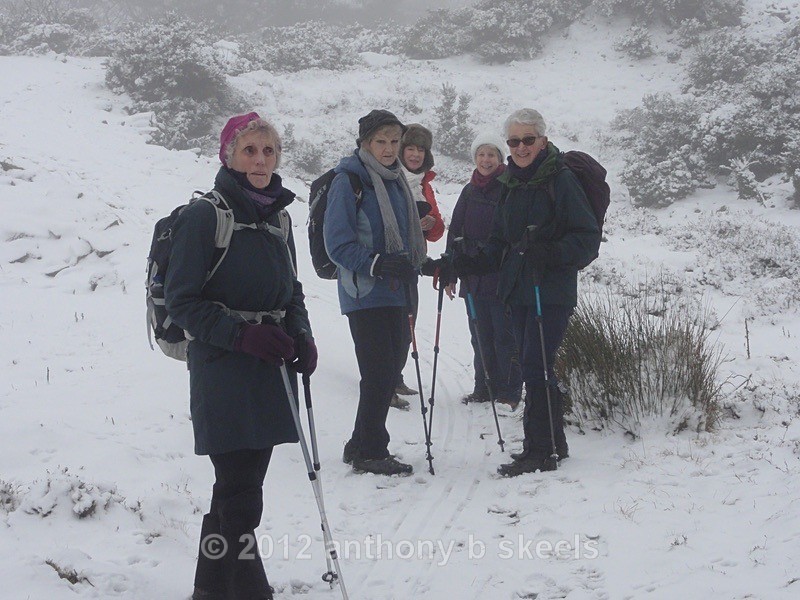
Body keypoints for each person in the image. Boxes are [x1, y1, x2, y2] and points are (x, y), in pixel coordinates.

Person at [165, 112, 318, 599]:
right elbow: (183, 301)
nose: (260, 160)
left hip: (270, 367)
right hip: (223, 368)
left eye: (268, 151)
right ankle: (250, 589)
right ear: (228, 155)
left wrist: (302, 334)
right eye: (249, 150)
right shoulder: (205, 216)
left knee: (235, 490)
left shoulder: (278, 217)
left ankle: (209, 588)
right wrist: (241, 336)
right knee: (241, 492)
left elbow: (290, 289)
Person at [451, 108, 601, 477]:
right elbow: (500, 242)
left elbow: (587, 240)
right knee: (537, 366)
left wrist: (549, 253)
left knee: (535, 367)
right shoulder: (512, 184)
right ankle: (553, 444)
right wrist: (459, 264)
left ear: (543, 141)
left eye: (528, 140)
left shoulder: (561, 181)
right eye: (514, 141)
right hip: (517, 290)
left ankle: (540, 450)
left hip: (548, 291)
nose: (520, 147)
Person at [324, 109, 429, 476]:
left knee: (389, 368)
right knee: (379, 371)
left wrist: (423, 264)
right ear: (365, 143)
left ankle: (359, 442)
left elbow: (403, 241)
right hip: (365, 291)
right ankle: (371, 449)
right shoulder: (349, 181)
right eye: (380, 141)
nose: (388, 149)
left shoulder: (396, 180)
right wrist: (376, 263)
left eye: (394, 141)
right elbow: (335, 244)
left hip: (398, 290)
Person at [445, 131, 522, 409]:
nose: (485, 160)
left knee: (505, 336)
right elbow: (455, 230)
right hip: (472, 275)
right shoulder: (469, 190)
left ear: (500, 159)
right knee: (480, 335)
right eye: (481, 154)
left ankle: (510, 392)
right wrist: (450, 271)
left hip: (501, 276)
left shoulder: (508, 188)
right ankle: (484, 388)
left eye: (491, 154)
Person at [391, 123, 446, 409]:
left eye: (420, 149)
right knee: (391, 322)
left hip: (413, 261)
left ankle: (395, 377)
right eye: (410, 148)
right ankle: (384, 381)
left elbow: (437, 231)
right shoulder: (389, 178)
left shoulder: (425, 184)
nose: (414, 154)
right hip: (390, 263)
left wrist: (431, 224)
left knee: (408, 320)